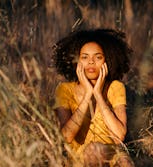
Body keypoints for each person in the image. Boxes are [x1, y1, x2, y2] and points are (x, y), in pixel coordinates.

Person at [53, 28, 135, 167]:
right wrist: (87, 96)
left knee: (125, 162)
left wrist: (98, 94)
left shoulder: (115, 87)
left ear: (107, 61)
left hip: (112, 153)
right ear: (77, 62)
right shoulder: (64, 90)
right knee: (94, 150)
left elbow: (119, 136)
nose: (91, 62)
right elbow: (66, 136)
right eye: (85, 57)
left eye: (98, 57)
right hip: (80, 156)